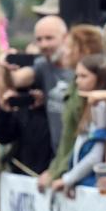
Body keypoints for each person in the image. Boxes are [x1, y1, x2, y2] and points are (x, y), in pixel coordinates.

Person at [39, 25, 105, 191]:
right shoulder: (75, 85)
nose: (64, 51)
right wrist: (55, 169)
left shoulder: (91, 92)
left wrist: (65, 175)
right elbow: (67, 138)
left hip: (79, 176)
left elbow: (84, 141)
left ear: (84, 50)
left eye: (69, 47)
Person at [53, 54, 106, 192]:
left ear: (99, 77)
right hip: (81, 178)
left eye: (84, 76)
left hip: (92, 179)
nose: (78, 81)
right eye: (77, 76)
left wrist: (68, 179)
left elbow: (96, 153)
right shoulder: (89, 103)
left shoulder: (101, 105)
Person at [0, 66, 53, 176]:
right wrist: (3, 113)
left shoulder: (40, 93)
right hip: (23, 173)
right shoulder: (10, 104)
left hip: (44, 169)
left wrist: (41, 107)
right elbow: (3, 137)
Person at [30, 15, 70, 154]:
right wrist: (5, 68)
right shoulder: (42, 66)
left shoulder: (81, 68)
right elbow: (19, 79)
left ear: (65, 37)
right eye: (39, 40)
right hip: (57, 154)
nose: (43, 45)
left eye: (49, 38)